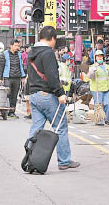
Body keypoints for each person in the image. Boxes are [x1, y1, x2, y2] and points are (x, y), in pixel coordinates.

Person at [27, 26, 80, 170]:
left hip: (34, 95)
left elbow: (30, 75)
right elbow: (52, 76)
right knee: (60, 126)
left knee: (36, 128)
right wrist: (60, 93)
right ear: (52, 39)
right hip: (46, 95)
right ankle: (64, 161)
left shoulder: (31, 52)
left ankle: (30, 159)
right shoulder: (47, 53)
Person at [0, 40, 26, 118]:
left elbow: (21, 66)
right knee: (8, 94)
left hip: (17, 77)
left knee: (14, 95)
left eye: (18, 46)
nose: (17, 47)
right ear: (11, 46)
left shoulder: (19, 55)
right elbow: (1, 67)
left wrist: (23, 77)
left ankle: (12, 111)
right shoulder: (4, 54)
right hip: (8, 77)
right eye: (16, 45)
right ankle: (4, 109)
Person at [87, 50, 109, 126]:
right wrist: (92, 71)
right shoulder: (93, 67)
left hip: (106, 88)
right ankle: (99, 120)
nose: (99, 57)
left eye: (101, 56)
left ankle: (106, 119)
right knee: (98, 105)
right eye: (98, 56)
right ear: (95, 58)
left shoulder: (107, 66)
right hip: (97, 89)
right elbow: (90, 77)